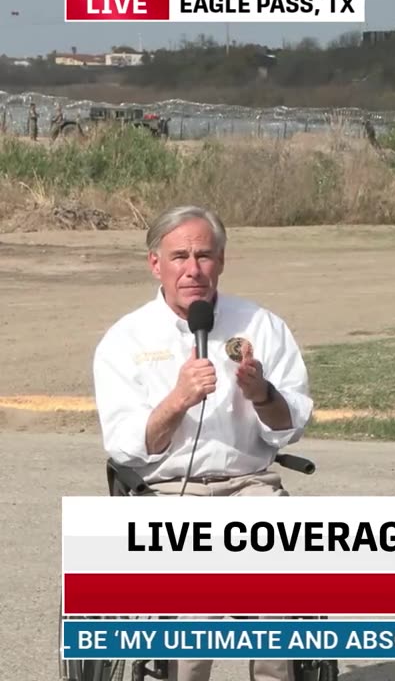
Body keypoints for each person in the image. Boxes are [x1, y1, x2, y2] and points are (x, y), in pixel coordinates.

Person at [92, 205, 313, 681]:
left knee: (284, 588)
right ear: (155, 264)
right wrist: (177, 400)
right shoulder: (124, 339)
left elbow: (290, 425)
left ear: (222, 260)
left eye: (204, 256)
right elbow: (127, 447)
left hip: (249, 485)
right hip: (168, 492)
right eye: (179, 257)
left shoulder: (261, 325)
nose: (193, 270)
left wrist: (262, 393)